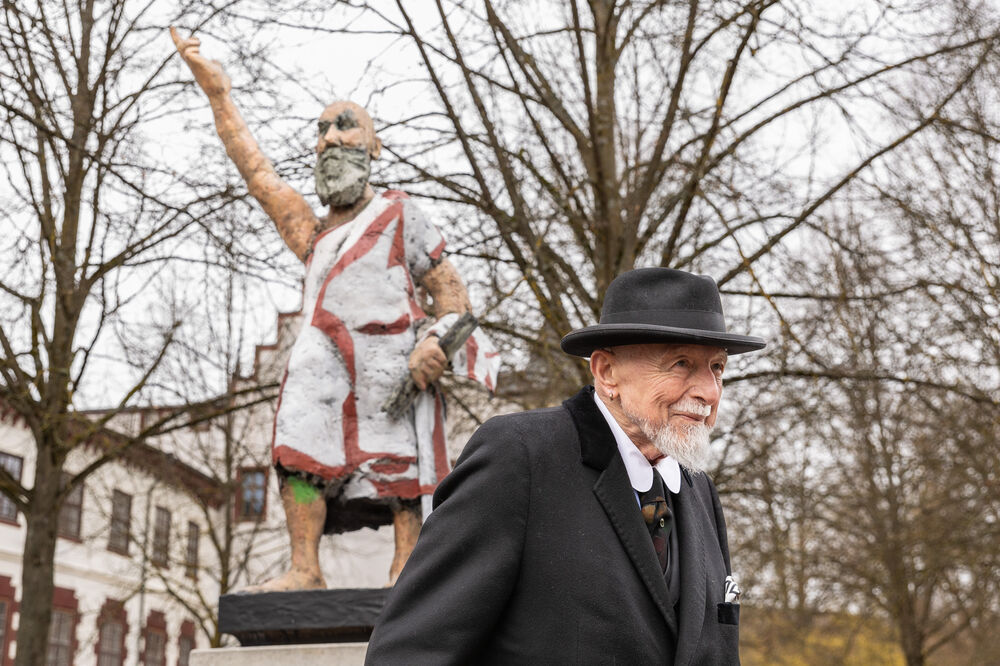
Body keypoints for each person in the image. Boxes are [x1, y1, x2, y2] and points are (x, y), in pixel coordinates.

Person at [169, 28, 498, 589]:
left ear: (373, 147)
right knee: (297, 454)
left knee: (399, 467)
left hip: (390, 359)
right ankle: (305, 567)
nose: (328, 139)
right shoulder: (312, 230)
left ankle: (406, 571)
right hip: (319, 368)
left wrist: (435, 342)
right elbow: (258, 174)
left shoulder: (402, 215)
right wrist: (219, 94)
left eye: (344, 126)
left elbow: (453, 296)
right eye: (320, 131)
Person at [366, 267, 765, 664]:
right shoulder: (520, 457)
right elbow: (409, 653)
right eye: (681, 364)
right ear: (607, 372)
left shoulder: (700, 494)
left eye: (717, 368)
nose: (709, 392)